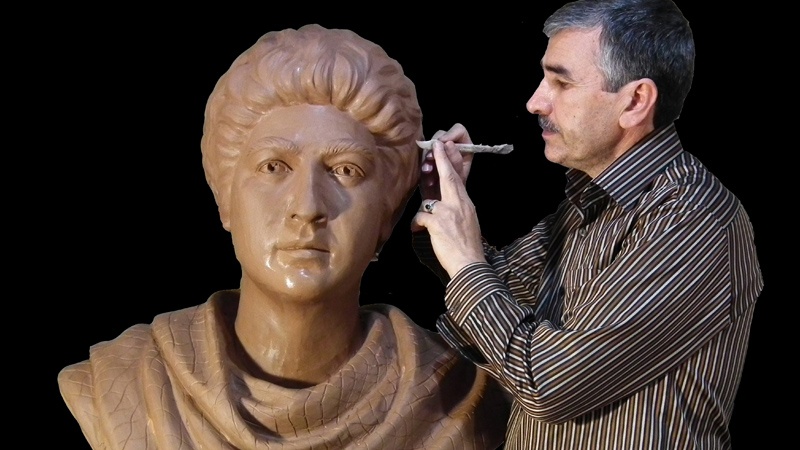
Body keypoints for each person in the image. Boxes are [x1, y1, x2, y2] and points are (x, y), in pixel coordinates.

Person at [57, 24, 510, 450]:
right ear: (226, 197)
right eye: (274, 166)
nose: (307, 206)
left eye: (345, 170)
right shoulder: (124, 384)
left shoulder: (463, 403)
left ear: (386, 214)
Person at [410, 1, 763, 449]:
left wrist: (464, 259)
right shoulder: (592, 203)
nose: (535, 102)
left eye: (561, 82)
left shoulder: (692, 220)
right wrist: (442, 201)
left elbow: (547, 384)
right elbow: (496, 291)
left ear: (635, 102)